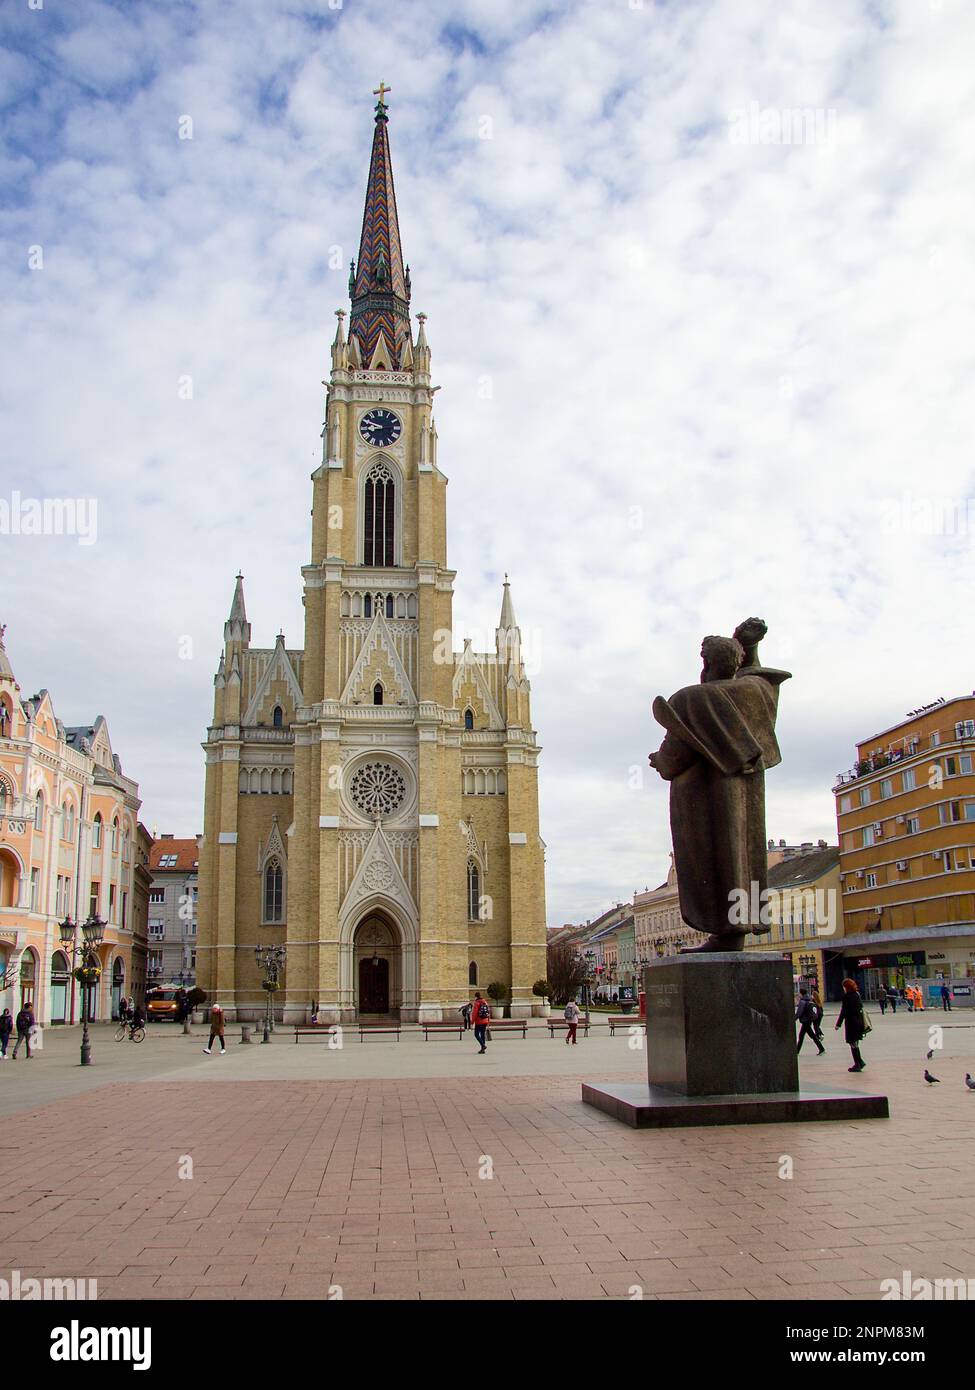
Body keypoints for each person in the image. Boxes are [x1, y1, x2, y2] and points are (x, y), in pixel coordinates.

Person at [835, 978, 867, 1072]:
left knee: (852, 1043)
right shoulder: (857, 995)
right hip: (858, 1022)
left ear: (846, 987)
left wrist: (838, 1024)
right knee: (855, 1043)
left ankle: (858, 1064)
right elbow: (860, 1007)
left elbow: (844, 1011)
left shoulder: (847, 997)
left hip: (851, 1023)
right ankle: (859, 1062)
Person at [796, 989, 825, 1055]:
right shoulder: (809, 1000)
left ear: (801, 994)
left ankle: (797, 1051)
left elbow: (799, 1012)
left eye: (799, 993)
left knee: (802, 1036)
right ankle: (821, 1049)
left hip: (805, 1021)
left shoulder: (802, 1001)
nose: (798, 995)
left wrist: (794, 1019)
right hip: (808, 1020)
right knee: (810, 1035)